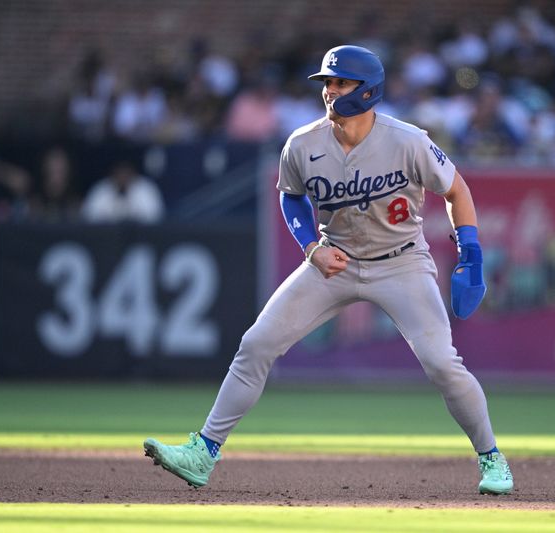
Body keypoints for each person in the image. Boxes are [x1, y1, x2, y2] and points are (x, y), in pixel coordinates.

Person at [144, 45, 514, 496]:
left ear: (368, 90)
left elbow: (457, 190)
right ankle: (204, 451)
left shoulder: (408, 140)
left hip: (401, 262)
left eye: (341, 83)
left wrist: (470, 252)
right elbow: (291, 195)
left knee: (442, 363)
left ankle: (492, 458)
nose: (331, 91)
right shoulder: (303, 143)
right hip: (334, 260)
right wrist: (310, 246)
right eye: (327, 83)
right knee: (256, 344)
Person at [81, 159, 164, 223]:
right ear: (113, 174)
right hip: (106, 236)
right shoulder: (101, 189)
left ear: (132, 173)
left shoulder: (145, 188)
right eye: (119, 173)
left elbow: (155, 217)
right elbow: (89, 217)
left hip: (140, 236)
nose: (122, 177)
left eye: (126, 173)